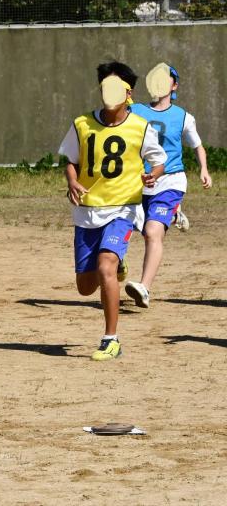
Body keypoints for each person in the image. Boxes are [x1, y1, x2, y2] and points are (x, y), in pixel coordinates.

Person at [57, 61, 166, 361]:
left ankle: (111, 339)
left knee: (105, 266)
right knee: (84, 287)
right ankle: (117, 265)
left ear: (129, 94)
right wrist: (72, 181)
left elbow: (159, 161)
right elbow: (71, 160)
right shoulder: (82, 124)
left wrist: (153, 175)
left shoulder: (141, 127)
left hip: (123, 209)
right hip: (88, 211)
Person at [125, 64, 211, 308]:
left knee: (152, 232)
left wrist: (204, 169)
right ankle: (173, 215)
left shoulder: (183, 117)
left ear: (174, 86)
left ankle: (144, 288)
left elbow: (197, 146)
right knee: (125, 225)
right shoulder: (135, 110)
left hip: (170, 181)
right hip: (138, 182)